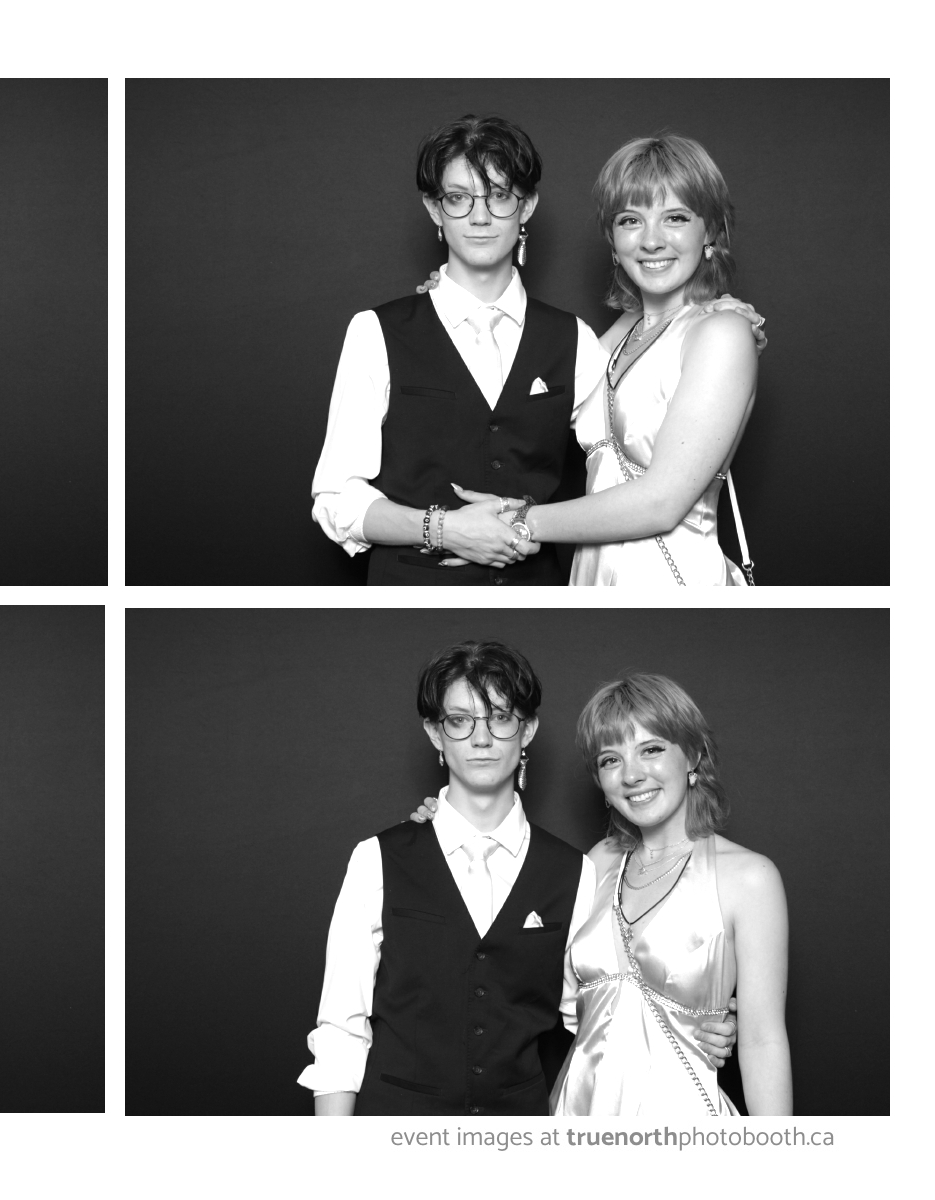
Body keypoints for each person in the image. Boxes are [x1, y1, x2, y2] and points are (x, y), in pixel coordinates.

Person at [300, 641, 734, 1115]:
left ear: (527, 730)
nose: (481, 739)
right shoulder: (378, 858)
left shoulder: (577, 871)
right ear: (435, 733)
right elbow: (340, 1031)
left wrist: (694, 1022)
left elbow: (598, 1010)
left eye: (500, 717)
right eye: (460, 720)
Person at [310, 115, 610, 585]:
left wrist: (695, 313)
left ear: (527, 206)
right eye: (458, 198)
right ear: (435, 209)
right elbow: (335, 498)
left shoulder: (575, 338)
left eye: (500, 196)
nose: (480, 217)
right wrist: (444, 529)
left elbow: (624, 470)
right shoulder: (376, 332)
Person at [456, 135, 762, 585]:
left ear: (711, 231)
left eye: (676, 217)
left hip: (670, 583)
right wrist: (451, 300)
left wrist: (519, 522)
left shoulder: (721, 332)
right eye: (631, 220)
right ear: (613, 241)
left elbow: (662, 502)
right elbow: (526, 401)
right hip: (593, 576)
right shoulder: (624, 335)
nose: (652, 240)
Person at [553, 674, 790, 1113]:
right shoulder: (598, 862)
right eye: (610, 759)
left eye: (651, 749)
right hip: (579, 1111)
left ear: (693, 755)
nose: (631, 775)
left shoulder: (749, 878)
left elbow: (763, 1040)